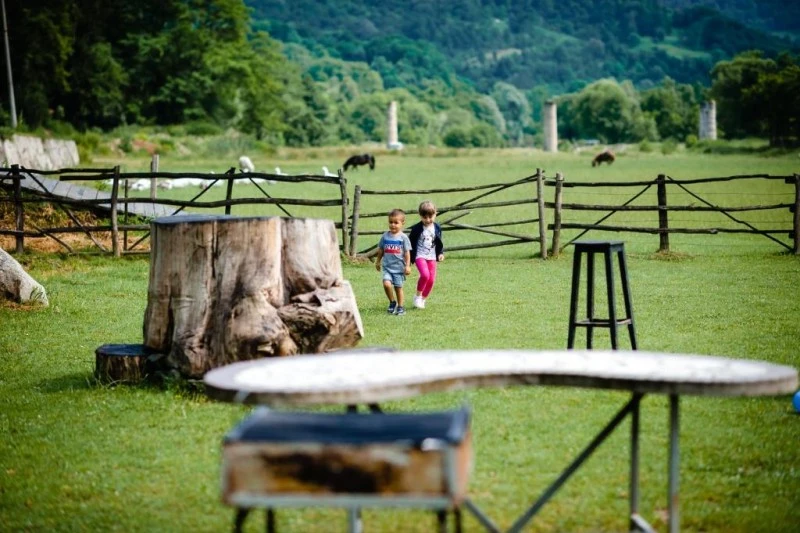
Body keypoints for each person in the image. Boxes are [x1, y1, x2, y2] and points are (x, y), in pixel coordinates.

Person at [375, 209, 412, 315]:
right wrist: (378, 261)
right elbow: (381, 250)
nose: (393, 225)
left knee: (398, 288)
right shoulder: (385, 236)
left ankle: (400, 307)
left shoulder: (403, 238)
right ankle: (392, 302)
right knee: (386, 284)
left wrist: (408, 266)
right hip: (387, 267)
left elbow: (407, 253)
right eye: (391, 222)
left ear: (402, 223)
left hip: (399, 268)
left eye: (396, 222)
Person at [408, 200, 444, 309]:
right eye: (425, 217)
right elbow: (410, 244)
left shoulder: (437, 227)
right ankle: (417, 296)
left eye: (430, 217)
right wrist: (408, 261)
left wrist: (440, 253)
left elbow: (439, 242)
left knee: (431, 280)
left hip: (432, 256)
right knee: (425, 275)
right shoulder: (416, 229)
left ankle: (423, 299)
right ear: (420, 215)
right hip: (420, 255)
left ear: (435, 213)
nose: (428, 220)